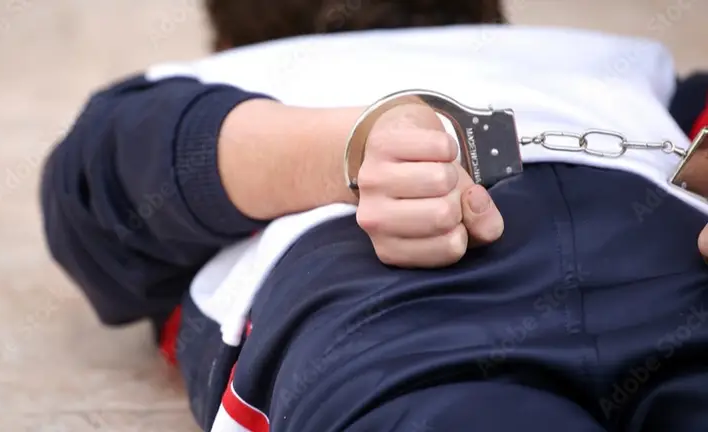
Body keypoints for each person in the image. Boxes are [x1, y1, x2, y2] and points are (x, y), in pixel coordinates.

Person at [40, 0, 708, 430]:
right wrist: (357, 149)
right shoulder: (604, 60)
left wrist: (354, 150)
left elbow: (106, 181)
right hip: (668, 275)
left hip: (402, 335)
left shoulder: (200, 87)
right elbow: (107, 176)